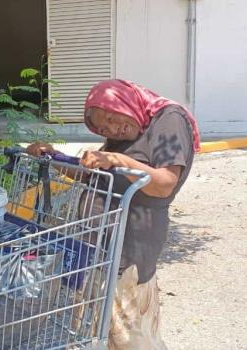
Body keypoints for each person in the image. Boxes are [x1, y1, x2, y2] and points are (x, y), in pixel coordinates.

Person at [27, 79, 200, 349]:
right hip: (99, 249)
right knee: (102, 334)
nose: (111, 127)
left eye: (110, 115)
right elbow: (94, 176)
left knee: (130, 337)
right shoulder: (123, 137)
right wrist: (54, 156)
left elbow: (165, 182)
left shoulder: (168, 119)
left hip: (128, 251)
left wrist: (118, 160)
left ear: (123, 102)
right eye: (102, 127)